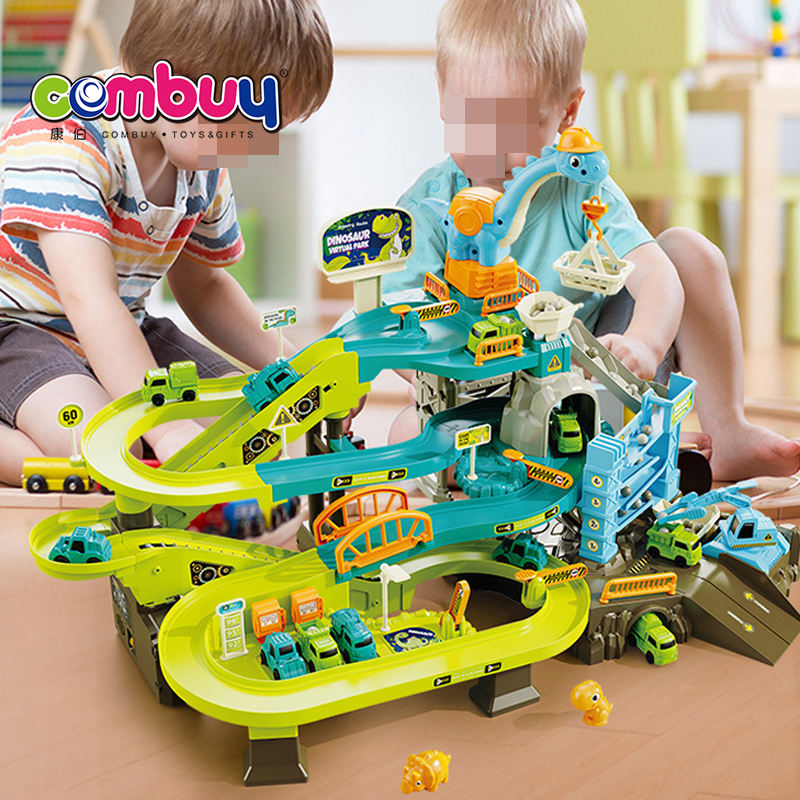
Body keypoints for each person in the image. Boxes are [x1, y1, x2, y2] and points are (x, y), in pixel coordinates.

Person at [382, 0, 800, 481]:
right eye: (472, 120)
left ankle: (727, 431)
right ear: (442, 96)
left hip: (598, 383)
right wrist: (435, 378)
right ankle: (523, 468)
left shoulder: (581, 186)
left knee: (689, 251)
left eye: (516, 126)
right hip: (486, 406)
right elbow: (396, 318)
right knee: (404, 434)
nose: (491, 146)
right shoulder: (427, 207)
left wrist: (643, 344)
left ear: (568, 112)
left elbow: (656, 273)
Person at [0, 0, 333, 486]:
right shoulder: (63, 135)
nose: (255, 144)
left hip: (127, 328)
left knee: (251, 430)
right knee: (104, 447)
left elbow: (205, 287)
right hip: (20, 332)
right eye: (246, 123)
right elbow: (88, 298)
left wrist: (295, 368)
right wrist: (166, 426)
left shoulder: (201, 161)